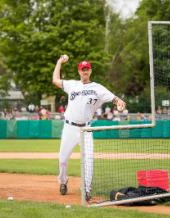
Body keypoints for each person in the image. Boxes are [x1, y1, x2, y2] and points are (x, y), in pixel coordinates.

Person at [52, 54, 126, 201]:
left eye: (87, 69)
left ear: (90, 71)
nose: (84, 71)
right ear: (79, 72)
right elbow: (55, 80)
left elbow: (113, 98)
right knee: (62, 159)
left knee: (89, 159)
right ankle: (63, 181)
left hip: (86, 129)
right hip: (69, 128)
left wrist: (119, 102)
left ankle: (86, 189)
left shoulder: (97, 88)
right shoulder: (72, 84)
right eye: (82, 69)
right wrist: (59, 62)